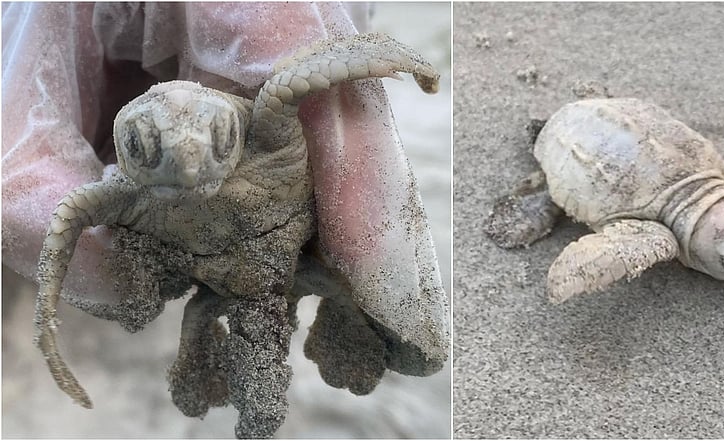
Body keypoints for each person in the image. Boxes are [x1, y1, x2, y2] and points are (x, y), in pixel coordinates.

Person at [2, 2, 445, 328]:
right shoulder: (111, 190)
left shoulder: (269, 115)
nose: (188, 167)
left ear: (232, 130)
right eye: (146, 147)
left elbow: (297, 79)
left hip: (280, 249)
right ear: (125, 141)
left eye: (209, 143)